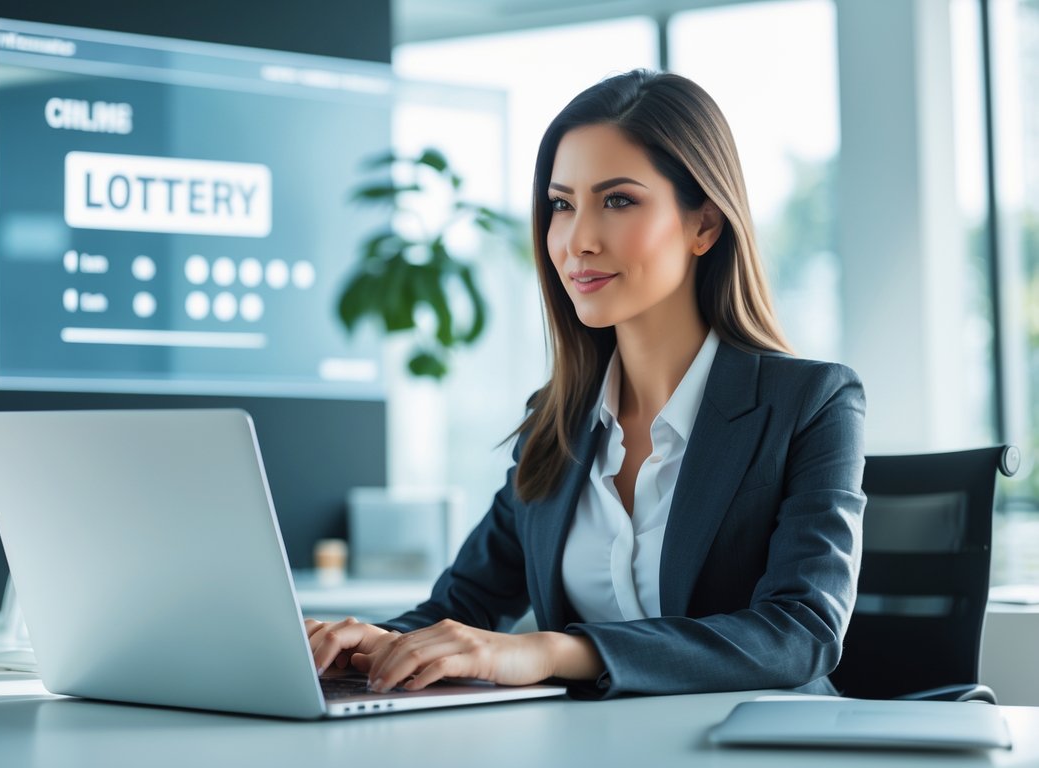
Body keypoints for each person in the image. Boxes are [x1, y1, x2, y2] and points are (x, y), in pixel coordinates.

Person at [306, 69, 866, 699]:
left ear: (704, 225)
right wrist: (367, 647)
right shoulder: (558, 419)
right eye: (562, 204)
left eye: (618, 200)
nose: (578, 240)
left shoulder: (811, 404)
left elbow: (801, 632)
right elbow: (464, 609)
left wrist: (555, 650)